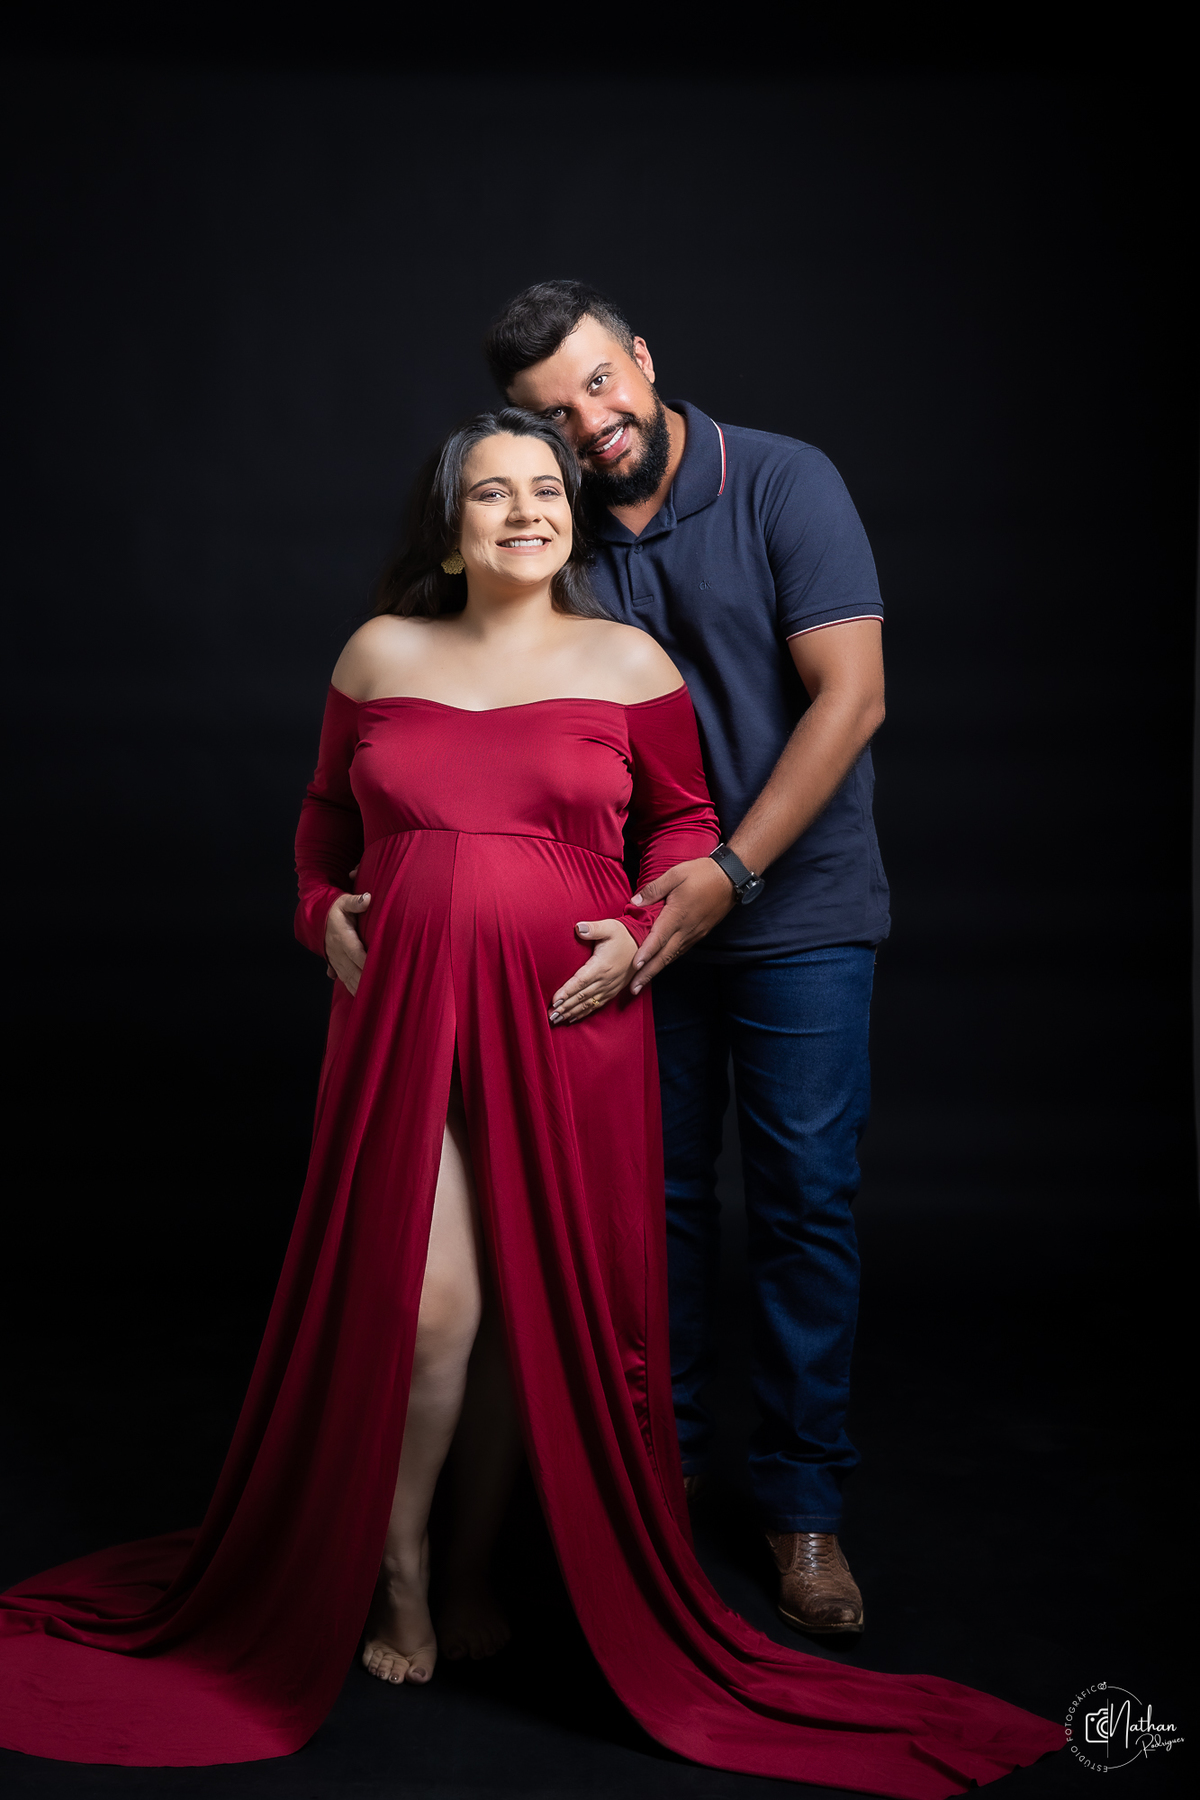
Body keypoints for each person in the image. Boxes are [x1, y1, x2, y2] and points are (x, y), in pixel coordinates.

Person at [0, 409, 1061, 1795]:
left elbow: (683, 824)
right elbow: (323, 821)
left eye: (547, 489)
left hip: (570, 1024)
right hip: (403, 1023)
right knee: (433, 1305)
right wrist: (319, 911)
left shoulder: (630, 663)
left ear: (571, 515)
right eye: (492, 493)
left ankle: (474, 1562)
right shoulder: (379, 654)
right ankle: (399, 1570)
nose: (526, 512)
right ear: (450, 528)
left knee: (523, 1311)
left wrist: (645, 930)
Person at [486, 281, 888, 1636]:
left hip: (798, 914)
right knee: (644, 1211)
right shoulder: (551, 531)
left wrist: (728, 874)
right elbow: (484, 705)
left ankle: (802, 1508)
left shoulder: (780, 481)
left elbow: (852, 698)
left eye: (600, 382)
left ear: (643, 360)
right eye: (553, 410)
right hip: (627, 928)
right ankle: (656, 1478)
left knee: (803, 1207)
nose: (590, 421)